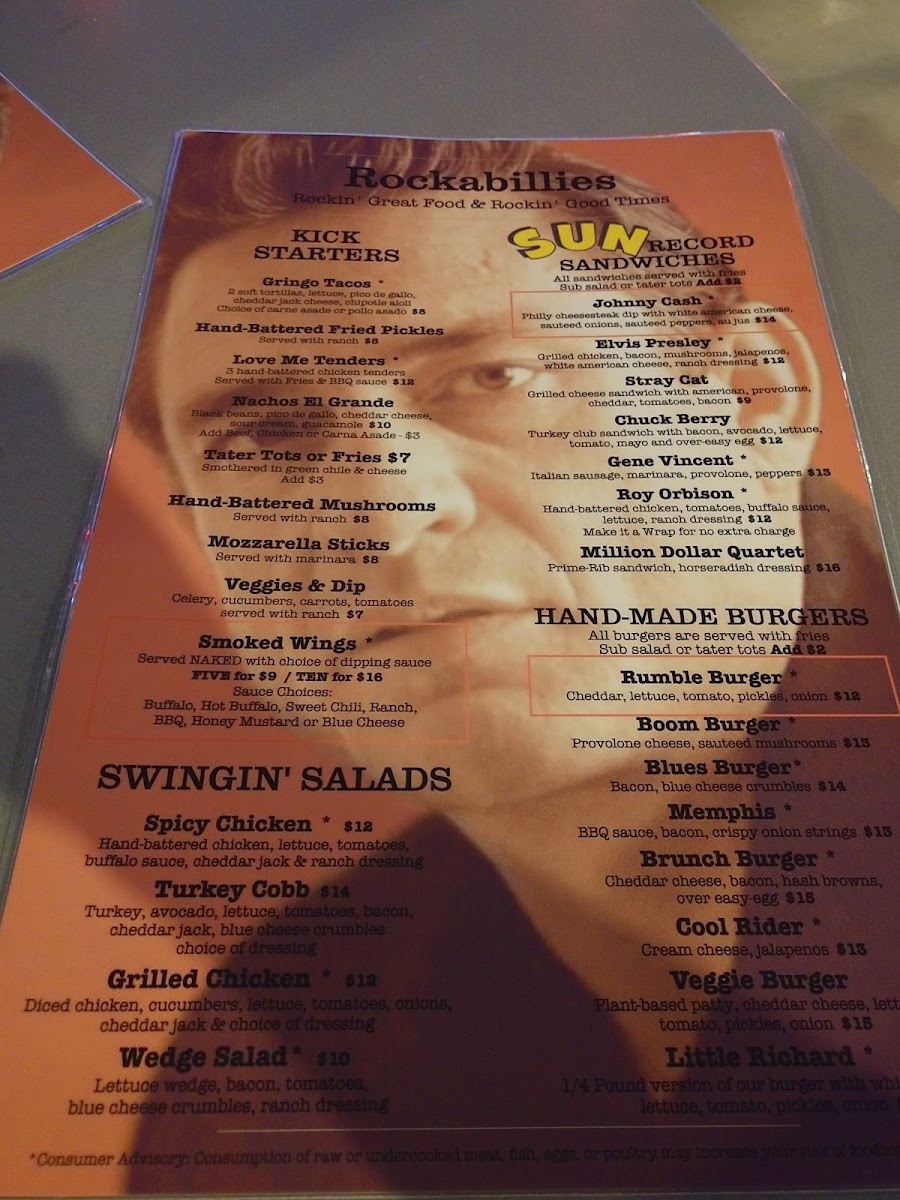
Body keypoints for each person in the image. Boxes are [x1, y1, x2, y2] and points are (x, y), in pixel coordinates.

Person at [126, 134, 900, 1191]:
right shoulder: (262, 1072)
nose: (387, 513)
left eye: (498, 374)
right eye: (264, 441)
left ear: (751, 398)